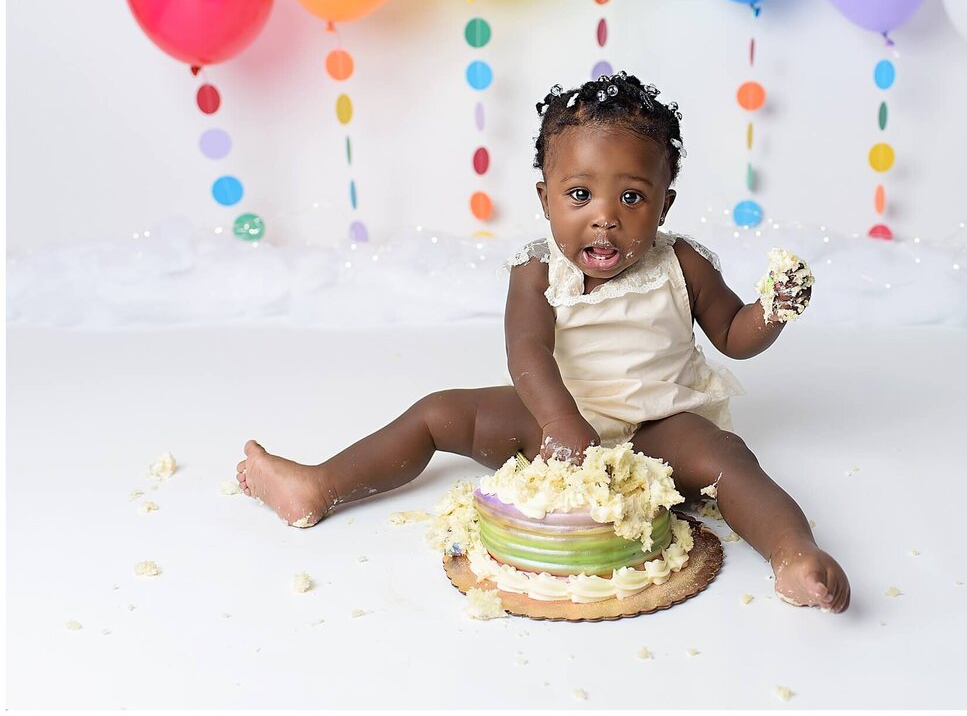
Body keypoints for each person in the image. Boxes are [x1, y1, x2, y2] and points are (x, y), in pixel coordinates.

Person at [237, 71, 851, 613]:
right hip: (554, 419)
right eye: (579, 195)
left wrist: (771, 311)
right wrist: (559, 423)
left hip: (659, 427)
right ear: (544, 198)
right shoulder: (538, 269)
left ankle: (794, 554)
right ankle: (319, 484)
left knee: (729, 458)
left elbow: (733, 337)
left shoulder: (681, 263)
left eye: (631, 197)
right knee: (437, 413)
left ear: (665, 205)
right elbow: (527, 352)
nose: (604, 216)